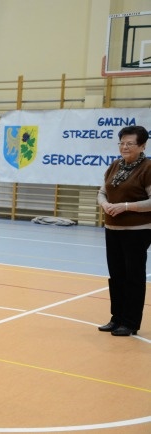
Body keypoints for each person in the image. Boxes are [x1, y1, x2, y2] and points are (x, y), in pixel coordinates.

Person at [97, 125, 151, 337]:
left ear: (142, 146)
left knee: (133, 276)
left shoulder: (147, 168)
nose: (124, 147)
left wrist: (125, 206)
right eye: (122, 143)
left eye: (130, 143)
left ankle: (130, 322)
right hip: (112, 228)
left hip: (137, 231)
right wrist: (105, 205)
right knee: (116, 275)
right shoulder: (115, 166)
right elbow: (101, 192)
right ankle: (116, 318)